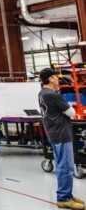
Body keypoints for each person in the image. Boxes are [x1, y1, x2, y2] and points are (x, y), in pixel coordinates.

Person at [39, 68, 84, 209]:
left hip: (54, 133)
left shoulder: (42, 93)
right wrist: (68, 107)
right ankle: (64, 198)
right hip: (61, 134)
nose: (58, 79)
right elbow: (71, 112)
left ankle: (66, 194)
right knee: (66, 167)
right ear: (50, 79)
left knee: (61, 165)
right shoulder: (52, 95)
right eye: (56, 77)